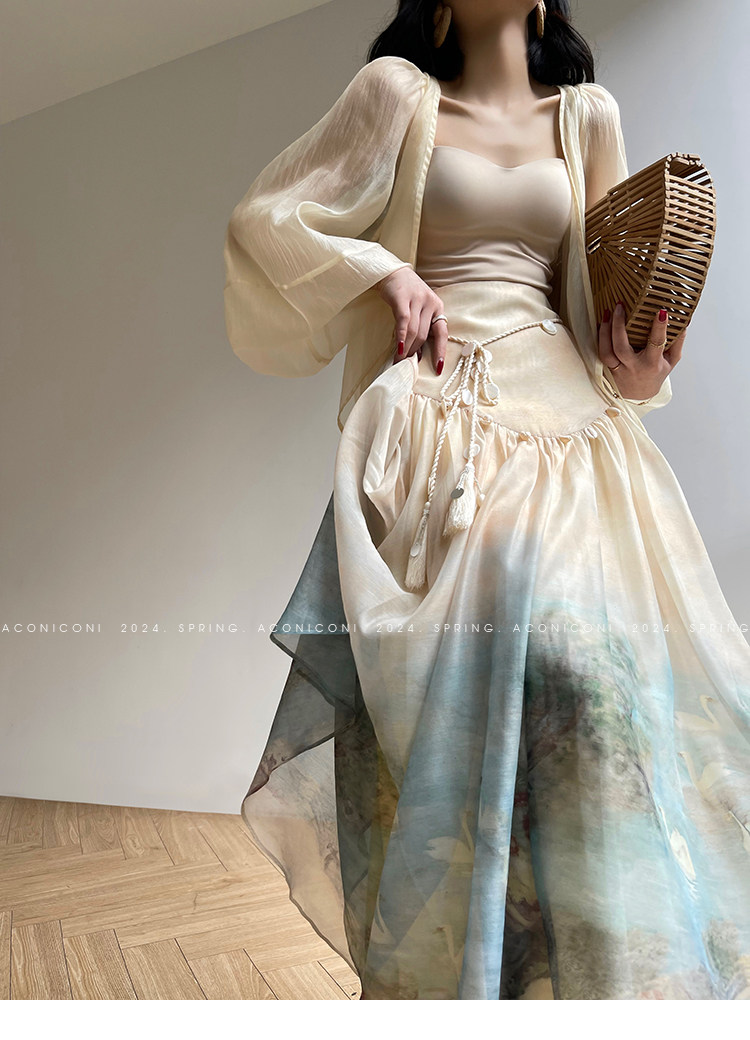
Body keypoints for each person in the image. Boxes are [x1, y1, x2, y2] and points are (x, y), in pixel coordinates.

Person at [223, 0, 750, 1000]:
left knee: (595, 696)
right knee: (477, 709)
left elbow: (601, 303)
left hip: (574, 424)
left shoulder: (587, 114)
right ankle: (476, 985)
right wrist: (386, 271)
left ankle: (594, 981)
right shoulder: (395, 94)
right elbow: (267, 221)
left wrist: (638, 372)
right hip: (446, 416)